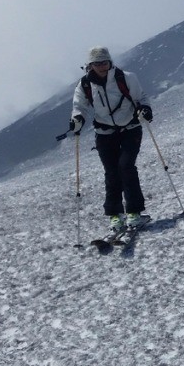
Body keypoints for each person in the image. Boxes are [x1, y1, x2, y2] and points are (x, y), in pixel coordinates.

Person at [69, 46, 153, 232]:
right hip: (105, 133)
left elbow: (141, 97)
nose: (101, 66)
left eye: (104, 62)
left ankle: (134, 213)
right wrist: (77, 119)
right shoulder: (84, 85)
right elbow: (79, 106)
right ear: (90, 65)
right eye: (97, 63)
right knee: (111, 172)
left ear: (110, 62)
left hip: (131, 129)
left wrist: (145, 109)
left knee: (126, 166)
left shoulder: (126, 77)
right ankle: (116, 216)